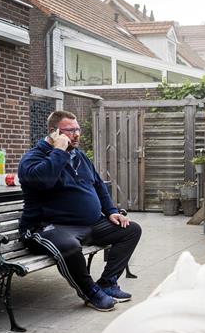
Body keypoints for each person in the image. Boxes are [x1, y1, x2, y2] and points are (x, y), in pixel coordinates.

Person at [18, 110, 141, 311]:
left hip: (88, 225)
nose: (76, 135)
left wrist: (111, 211)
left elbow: (98, 186)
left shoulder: (79, 156)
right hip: (47, 227)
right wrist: (58, 152)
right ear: (53, 132)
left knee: (131, 230)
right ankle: (90, 291)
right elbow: (45, 181)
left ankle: (107, 283)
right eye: (70, 130)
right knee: (68, 245)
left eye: (78, 130)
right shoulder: (32, 159)